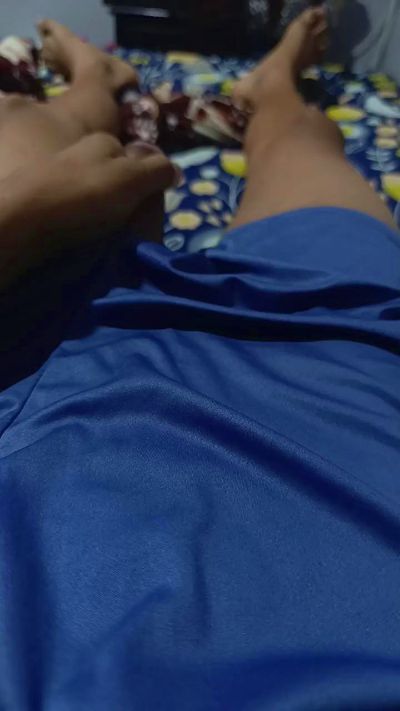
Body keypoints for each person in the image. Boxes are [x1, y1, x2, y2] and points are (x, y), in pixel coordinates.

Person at [0, 8, 400, 710]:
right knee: (304, 138)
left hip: (26, 345)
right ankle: (271, 85)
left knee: (27, 128)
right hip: (345, 396)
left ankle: (96, 78)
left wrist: (19, 218)